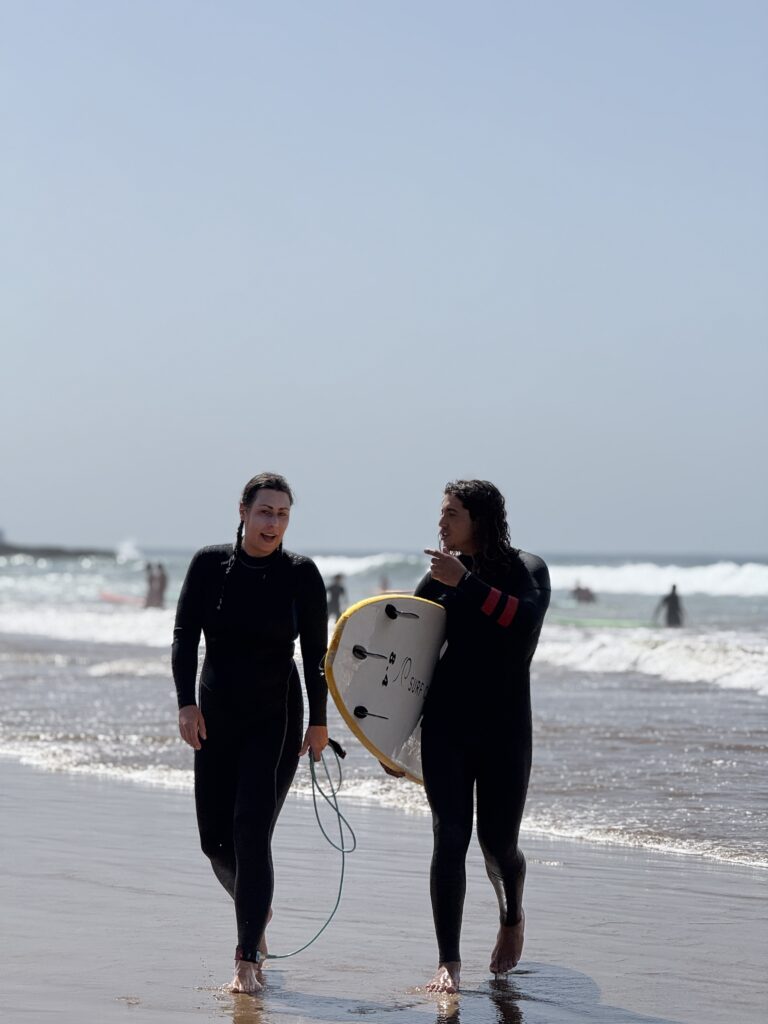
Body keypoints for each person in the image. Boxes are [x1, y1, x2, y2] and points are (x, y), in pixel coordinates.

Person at [172, 472, 329, 994]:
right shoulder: (209, 564)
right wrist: (186, 704)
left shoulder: (300, 574)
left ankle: (246, 961)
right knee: (214, 842)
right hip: (216, 712)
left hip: (275, 715)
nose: (273, 523)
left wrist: (319, 721)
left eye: (282, 514)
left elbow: (317, 654)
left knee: (250, 831)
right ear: (242, 511)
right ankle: (254, 906)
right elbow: (184, 636)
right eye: (265, 511)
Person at [412, 479, 550, 994]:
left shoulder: (526, 570)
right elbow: (407, 657)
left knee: (499, 844)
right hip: (446, 725)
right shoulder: (437, 580)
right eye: (442, 512)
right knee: (449, 837)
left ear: (480, 520)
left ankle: (512, 916)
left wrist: (465, 582)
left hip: (504, 728)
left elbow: (524, 621)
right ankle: (448, 962)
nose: (441, 523)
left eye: (452, 513)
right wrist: (388, 735)